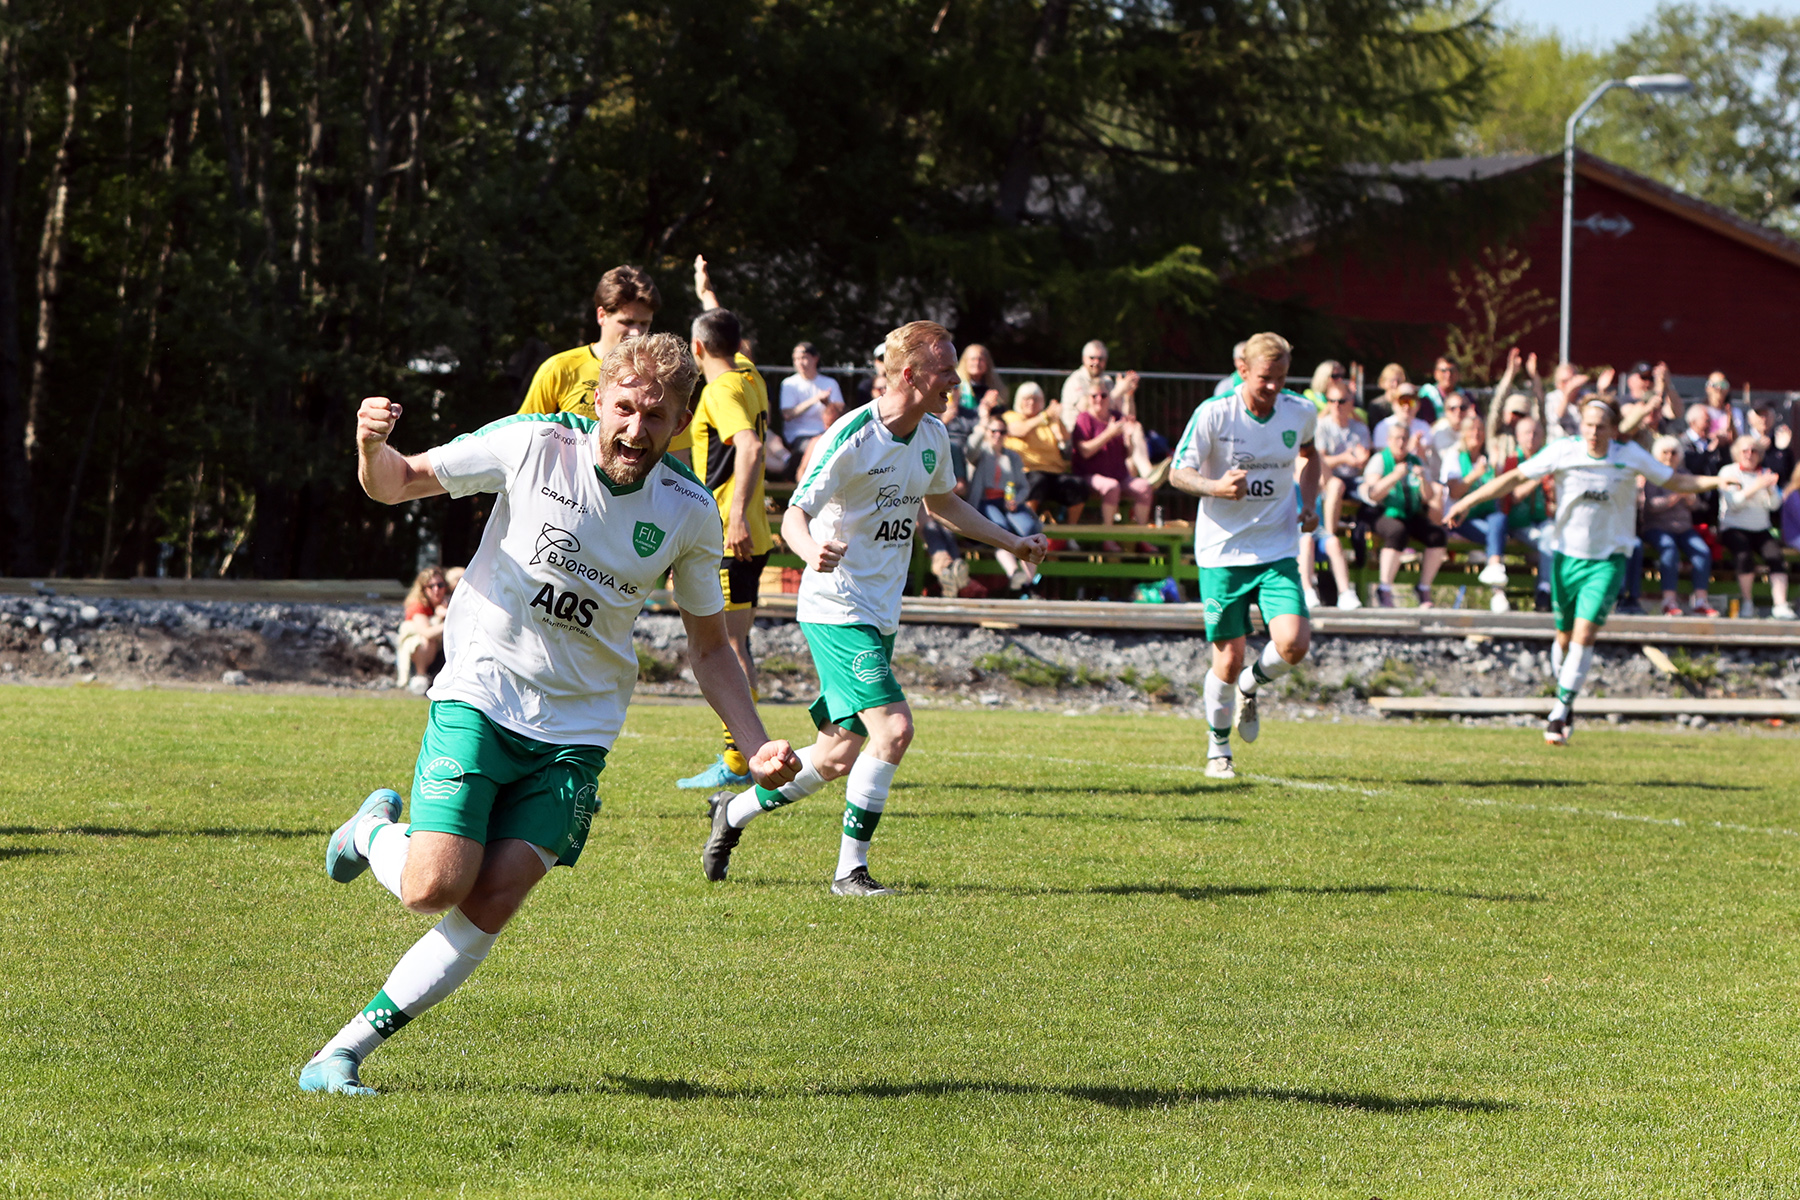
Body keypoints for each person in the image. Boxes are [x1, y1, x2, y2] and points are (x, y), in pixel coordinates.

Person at [300, 333, 801, 1097]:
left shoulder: (689, 512)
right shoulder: (532, 445)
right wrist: (372, 446)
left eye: (655, 416)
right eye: (625, 407)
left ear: (679, 423)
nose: (636, 428)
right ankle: (369, 831)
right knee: (434, 887)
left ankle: (340, 1054)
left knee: (492, 898)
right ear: (597, 399)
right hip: (484, 692)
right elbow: (397, 482)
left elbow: (709, 650)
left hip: (578, 732)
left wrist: (756, 746)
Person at [700, 321, 1049, 895]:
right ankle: (849, 872)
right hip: (836, 608)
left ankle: (731, 813)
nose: (954, 381)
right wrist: (813, 549)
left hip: (879, 611)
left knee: (837, 756)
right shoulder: (853, 436)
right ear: (909, 374)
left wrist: (1011, 542)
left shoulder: (934, 434)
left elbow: (943, 503)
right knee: (895, 729)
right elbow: (794, 512)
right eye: (944, 370)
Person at [1446, 396, 1729, 746]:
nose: (1594, 431)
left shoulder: (1628, 457)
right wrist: (1465, 501)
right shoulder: (1563, 451)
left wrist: (1717, 482)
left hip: (1609, 558)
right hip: (1566, 557)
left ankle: (1559, 710)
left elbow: (1675, 482)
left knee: (1584, 633)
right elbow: (1514, 477)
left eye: (1601, 426)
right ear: (1581, 426)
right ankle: (1567, 697)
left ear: (1614, 429)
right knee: (1564, 637)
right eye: (1588, 424)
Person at [1169, 331, 1320, 780]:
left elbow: (1311, 456)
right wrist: (1214, 487)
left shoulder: (1301, 411)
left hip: (1277, 548)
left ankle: (1252, 685)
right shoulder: (1215, 414)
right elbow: (1179, 472)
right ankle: (1219, 750)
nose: (1273, 387)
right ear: (1242, 370)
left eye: (1281, 378)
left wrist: (1308, 503)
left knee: (1293, 644)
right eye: (1264, 379)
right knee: (1227, 660)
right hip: (1222, 552)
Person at [674, 305, 778, 791]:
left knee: (725, 646)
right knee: (735, 642)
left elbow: (749, 447)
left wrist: (732, 517)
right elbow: (720, 328)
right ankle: (742, 753)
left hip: (727, 534)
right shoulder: (750, 375)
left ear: (697, 348)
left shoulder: (718, 390)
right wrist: (706, 290)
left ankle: (739, 760)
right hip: (752, 535)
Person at [1363, 420, 1447, 607]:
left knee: (1437, 536)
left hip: (1410, 513)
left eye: (1404, 438)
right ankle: (1384, 588)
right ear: (1388, 440)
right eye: (1396, 438)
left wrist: (1423, 479)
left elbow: (1428, 497)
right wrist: (1395, 476)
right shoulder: (1379, 460)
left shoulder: (1415, 462)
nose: (1400, 443)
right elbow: (1373, 493)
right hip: (1382, 512)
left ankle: (1423, 587)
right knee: (1397, 531)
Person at [1717, 436, 1794, 619]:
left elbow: (1774, 505)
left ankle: (1780, 604)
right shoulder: (1728, 472)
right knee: (1744, 556)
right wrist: (1757, 486)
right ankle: (1747, 603)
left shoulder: (1766, 472)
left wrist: (1768, 489)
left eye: (1754, 451)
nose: (1749, 454)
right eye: (1745, 450)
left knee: (1775, 556)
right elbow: (1734, 503)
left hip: (1760, 528)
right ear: (1737, 453)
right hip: (1733, 527)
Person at [1073, 382, 1154, 549]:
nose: (1099, 399)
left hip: (1119, 475)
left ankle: (1141, 537)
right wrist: (1108, 434)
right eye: (1094, 396)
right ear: (1088, 398)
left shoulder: (1117, 417)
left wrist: (1129, 439)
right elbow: (1084, 451)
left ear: (1109, 397)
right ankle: (1107, 537)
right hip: (1089, 476)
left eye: (1103, 395)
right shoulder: (1084, 419)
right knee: (1111, 487)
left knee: (1145, 486)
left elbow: (1128, 453)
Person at [1642, 435, 1716, 616]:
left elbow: (1698, 505)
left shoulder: (1685, 475)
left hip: (1683, 528)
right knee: (1669, 550)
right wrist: (1675, 497)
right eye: (1665, 452)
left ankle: (1700, 600)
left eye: (1673, 452)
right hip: (1657, 527)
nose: (1669, 456)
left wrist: (1690, 500)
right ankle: (1669, 601)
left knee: (1702, 552)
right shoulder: (1653, 476)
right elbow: (1651, 506)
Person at [1309, 384, 1368, 609]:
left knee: (1373, 491)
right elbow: (1321, 461)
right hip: (1330, 480)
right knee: (1335, 486)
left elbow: (1364, 458)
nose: (1336, 406)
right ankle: (1329, 538)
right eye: (1331, 401)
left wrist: (1358, 460)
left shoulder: (1360, 428)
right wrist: (1345, 458)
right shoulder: (1322, 427)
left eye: (1341, 401)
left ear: (1351, 404)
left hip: (1357, 480)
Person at [968, 412, 1043, 590]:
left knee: (1028, 528)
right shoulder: (982, 454)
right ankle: (1014, 573)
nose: (997, 435)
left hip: (1008, 503)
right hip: (987, 502)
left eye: (1001, 432)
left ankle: (1028, 582)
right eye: (993, 431)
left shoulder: (1013, 457)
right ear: (987, 432)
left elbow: (1023, 487)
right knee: (1000, 529)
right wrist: (982, 424)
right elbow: (970, 451)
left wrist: (1016, 500)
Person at [1441, 411, 1511, 589]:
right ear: (1463, 433)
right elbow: (1455, 492)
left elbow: (1498, 495)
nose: (1476, 433)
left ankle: (1494, 567)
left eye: (1480, 429)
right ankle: (1498, 590)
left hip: (1486, 516)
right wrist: (1475, 474)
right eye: (1471, 429)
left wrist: (1496, 468)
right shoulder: (1454, 456)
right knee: (1496, 534)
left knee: (1499, 519)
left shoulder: (1486, 459)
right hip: (1459, 520)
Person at [1004, 381, 1086, 520]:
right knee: (1038, 481)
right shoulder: (1011, 416)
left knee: (1078, 484)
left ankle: (1070, 533)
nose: (1031, 403)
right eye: (1027, 399)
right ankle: (1029, 525)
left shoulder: (1048, 421)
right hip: (1027, 472)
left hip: (1054, 472)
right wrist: (1044, 416)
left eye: (1035, 399)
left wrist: (1057, 419)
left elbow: (1065, 439)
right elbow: (1020, 430)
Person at [1502, 416, 1556, 611]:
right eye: (1527, 433)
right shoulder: (1512, 461)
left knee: (1551, 535)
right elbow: (1515, 496)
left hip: (1543, 521)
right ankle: (1546, 593)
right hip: (1519, 524)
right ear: (1518, 437)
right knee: (1547, 541)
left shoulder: (1547, 458)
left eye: (1536, 433)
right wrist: (1537, 478)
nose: (1532, 437)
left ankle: (1545, 589)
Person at [778, 343, 844, 464]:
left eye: (804, 358)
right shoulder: (789, 384)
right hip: (800, 435)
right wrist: (814, 399)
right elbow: (787, 415)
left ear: (815, 358)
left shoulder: (830, 382)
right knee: (818, 449)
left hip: (826, 432)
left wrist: (827, 403)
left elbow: (841, 414)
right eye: (796, 359)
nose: (800, 363)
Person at [397, 567, 451, 692]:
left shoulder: (446, 602)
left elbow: (459, 573)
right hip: (415, 650)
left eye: (440, 585)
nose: (436, 590)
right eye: (430, 586)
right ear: (423, 589)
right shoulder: (417, 606)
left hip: (440, 648)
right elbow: (427, 632)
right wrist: (451, 618)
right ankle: (420, 677)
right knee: (425, 642)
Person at [1370, 384, 1435, 476]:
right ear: (1394, 404)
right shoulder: (1383, 426)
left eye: (1411, 401)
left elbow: (1427, 462)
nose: (1407, 406)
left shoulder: (1424, 427)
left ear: (1418, 405)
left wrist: (1418, 447)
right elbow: (1383, 458)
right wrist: (1408, 448)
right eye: (1402, 401)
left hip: (1417, 474)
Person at [1543, 361, 1591, 441]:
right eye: (1564, 381)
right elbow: (1556, 418)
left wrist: (1601, 390)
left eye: (1571, 380)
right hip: (1559, 448)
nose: (1569, 384)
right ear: (1557, 384)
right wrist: (1567, 395)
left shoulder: (1585, 396)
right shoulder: (1552, 397)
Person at [1417, 355, 1467, 425]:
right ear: (1435, 374)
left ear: (1458, 374)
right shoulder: (1426, 397)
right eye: (1443, 371)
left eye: (1452, 371)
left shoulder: (1465, 397)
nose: (1448, 374)